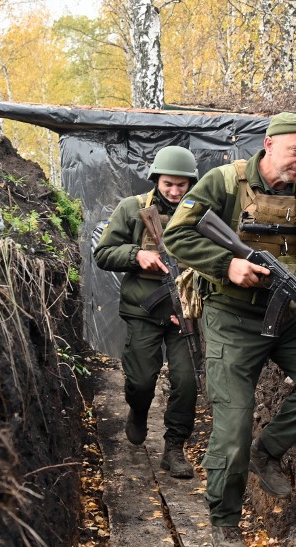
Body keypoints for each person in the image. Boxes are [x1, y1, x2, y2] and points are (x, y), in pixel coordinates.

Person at [163, 113, 296, 547]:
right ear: (268, 145)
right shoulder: (224, 183)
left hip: (287, 315)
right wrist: (227, 266)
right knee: (233, 423)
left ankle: (268, 451)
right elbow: (178, 236)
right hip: (230, 316)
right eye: (295, 151)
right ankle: (225, 522)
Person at [93, 145, 200, 478]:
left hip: (186, 311)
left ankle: (174, 448)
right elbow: (104, 253)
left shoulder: (200, 213)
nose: (174, 190)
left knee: (187, 380)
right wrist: (136, 254)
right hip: (143, 309)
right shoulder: (132, 208)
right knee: (141, 381)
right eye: (168, 183)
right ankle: (138, 412)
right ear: (156, 179)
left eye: (181, 185)